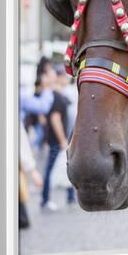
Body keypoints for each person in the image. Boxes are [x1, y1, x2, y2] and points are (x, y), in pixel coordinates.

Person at [39, 61, 75, 210]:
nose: (67, 79)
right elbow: (55, 120)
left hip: (60, 140)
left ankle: (70, 197)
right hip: (58, 140)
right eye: (64, 76)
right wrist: (62, 141)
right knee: (50, 169)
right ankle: (45, 199)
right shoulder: (56, 96)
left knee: (64, 167)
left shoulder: (58, 94)